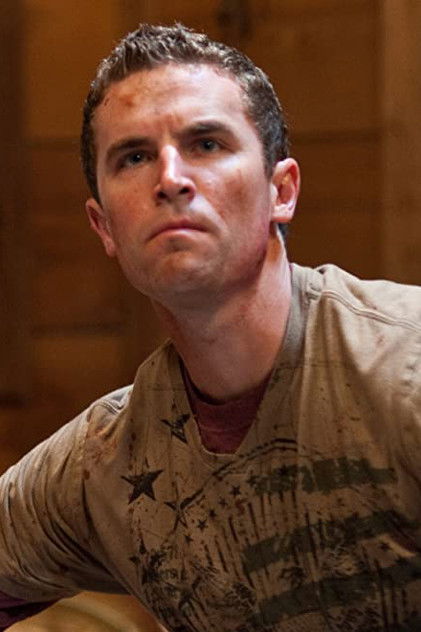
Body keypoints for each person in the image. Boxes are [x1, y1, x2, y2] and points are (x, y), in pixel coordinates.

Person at [1, 23, 420, 632]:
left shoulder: (404, 364)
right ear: (105, 227)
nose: (170, 178)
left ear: (281, 190)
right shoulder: (103, 465)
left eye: (205, 143)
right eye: (134, 157)